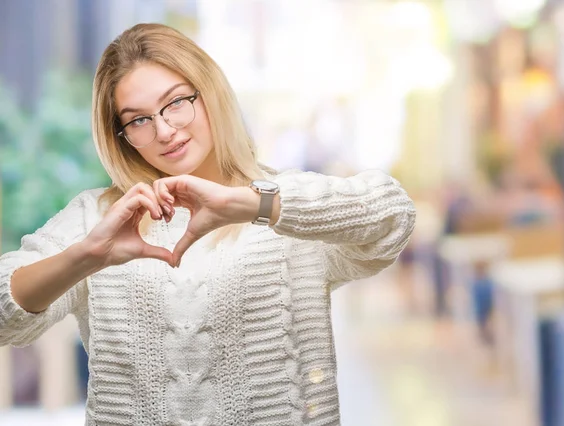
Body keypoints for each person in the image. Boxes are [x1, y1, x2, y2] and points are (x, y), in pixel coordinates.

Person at [0, 23, 416, 425]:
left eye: (176, 101)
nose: (165, 130)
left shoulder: (284, 204)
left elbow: (393, 217)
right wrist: (86, 256)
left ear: (209, 92)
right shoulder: (100, 218)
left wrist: (253, 204)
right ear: (121, 134)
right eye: (138, 120)